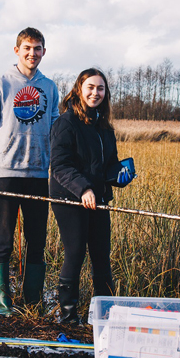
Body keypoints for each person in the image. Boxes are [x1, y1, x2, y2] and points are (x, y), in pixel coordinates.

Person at [0, 27, 60, 316]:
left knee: (36, 240)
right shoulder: (0, 84)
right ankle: (3, 302)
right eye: (27, 48)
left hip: (38, 175)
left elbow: (56, 130)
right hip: (5, 173)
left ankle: (32, 301)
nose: (33, 53)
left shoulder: (50, 87)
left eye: (38, 48)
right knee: (4, 240)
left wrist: (59, 170)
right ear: (17, 50)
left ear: (44, 51)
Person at [49, 69, 134, 324]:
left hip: (98, 200)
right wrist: (84, 189)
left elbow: (107, 164)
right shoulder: (65, 123)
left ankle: (105, 315)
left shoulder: (104, 127)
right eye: (90, 87)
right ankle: (68, 315)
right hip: (69, 198)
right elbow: (61, 166)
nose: (95, 93)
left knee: (101, 255)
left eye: (100, 88)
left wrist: (119, 174)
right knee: (75, 252)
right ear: (79, 89)